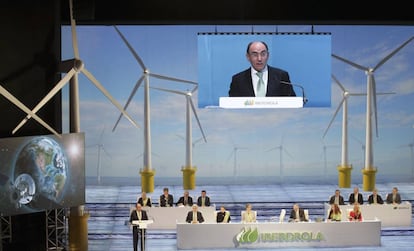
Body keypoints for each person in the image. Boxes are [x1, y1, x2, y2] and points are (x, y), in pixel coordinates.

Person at [228, 41, 296, 97]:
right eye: (255, 55)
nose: (259, 59)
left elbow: (291, 101)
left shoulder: (281, 76)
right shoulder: (238, 80)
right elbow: (232, 105)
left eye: (263, 54)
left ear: (268, 55)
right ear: (248, 57)